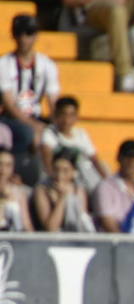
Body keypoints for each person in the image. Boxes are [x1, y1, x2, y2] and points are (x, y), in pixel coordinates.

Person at [1, 14, 60, 185]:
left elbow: (53, 101)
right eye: (20, 33)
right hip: (9, 118)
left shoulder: (47, 65)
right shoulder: (4, 64)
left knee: (56, 138)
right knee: (28, 134)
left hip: (36, 116)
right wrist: (34, 126)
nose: (24, 38)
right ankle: (26, 177)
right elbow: (9, 104)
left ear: (36, 35)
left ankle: (50, 178)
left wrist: (57, 125)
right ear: (14, 35)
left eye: (29, 33)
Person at [39, 96, 109, 192]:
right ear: (55, 115)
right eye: (63, 114)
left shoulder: (81, 134)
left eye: (71, 115)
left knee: (104, 167)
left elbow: (94, 159)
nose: (67, 120)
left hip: (82, 175)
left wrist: (108, 181)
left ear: (76, 117)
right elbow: (47, 160)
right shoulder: (49, 133)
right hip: (61, 177)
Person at [92, 139, 134, 233]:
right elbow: (107, 223)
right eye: (128, 157)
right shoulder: (105, 187)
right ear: (119, 158)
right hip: (114, 244)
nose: (132, 161)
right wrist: (128, 245)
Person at [32, 148, 95, 232]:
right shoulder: (42, 190)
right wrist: (62, 198)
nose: (59, 176)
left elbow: (81, 224)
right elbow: (51, 228)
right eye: (56, 169)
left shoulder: (78, 189)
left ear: (73, 172)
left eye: (65, 171)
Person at [0, 147, 32, 231]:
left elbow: (26, 224)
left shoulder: (19, 192)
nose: (3, 170)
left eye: (8, 165)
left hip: (15, 239)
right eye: (0, 164)